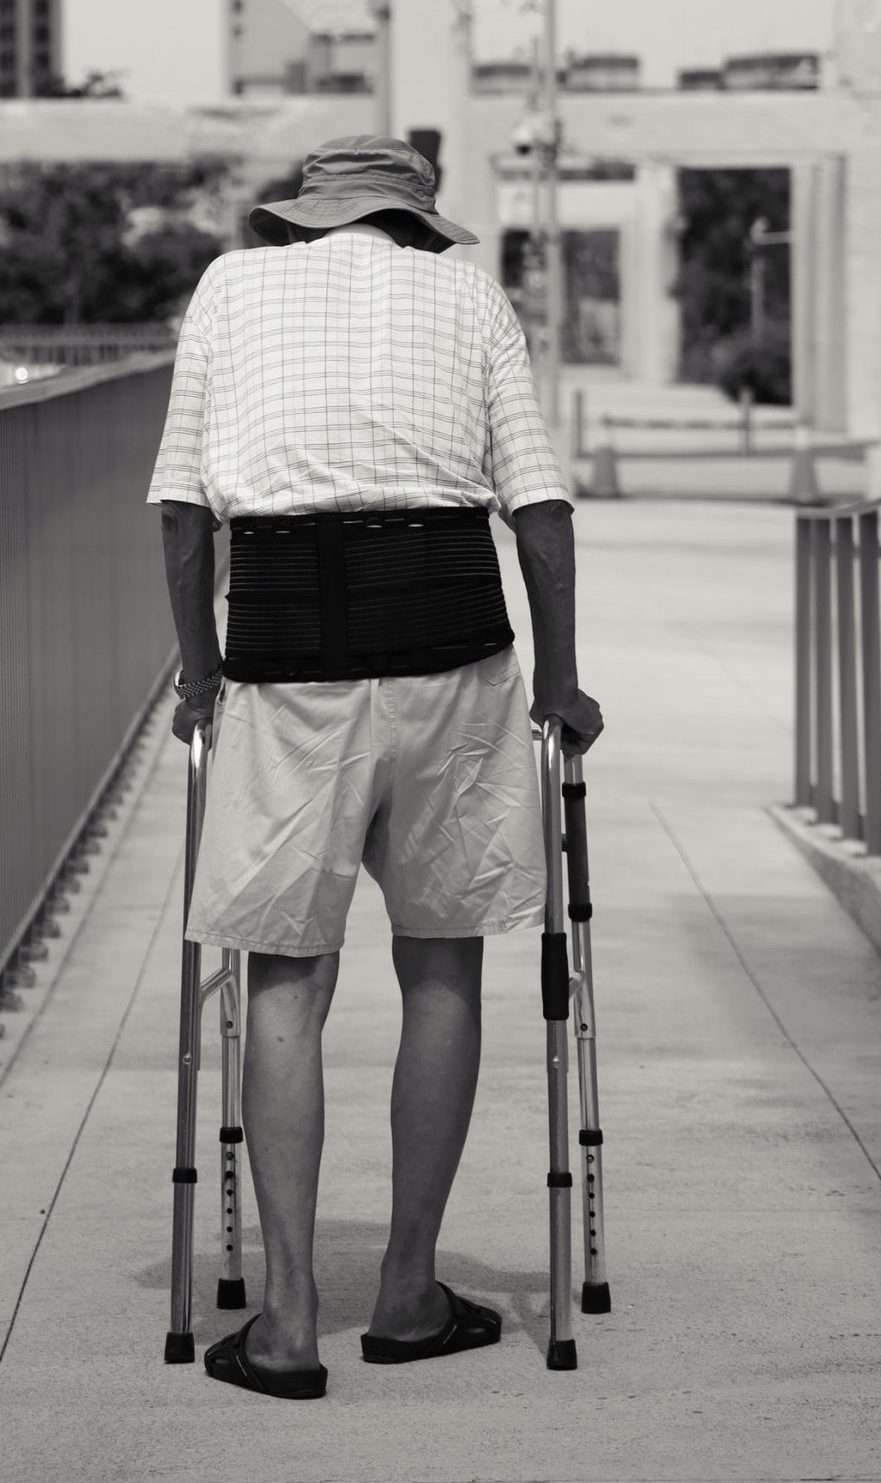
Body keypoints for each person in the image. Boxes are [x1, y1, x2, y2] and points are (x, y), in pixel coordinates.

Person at [148, 134, 602, 1400]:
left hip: (288, 644)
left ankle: (288, 1323)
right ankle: (405, 1294)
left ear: (299, 217)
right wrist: (559, 685)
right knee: (440, 957)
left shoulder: (230, 287)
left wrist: (198, 674)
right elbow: (541, 511)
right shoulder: (467, 292)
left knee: (286, 972)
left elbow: (184, 512)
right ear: (416, 220)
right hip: (450, 639)